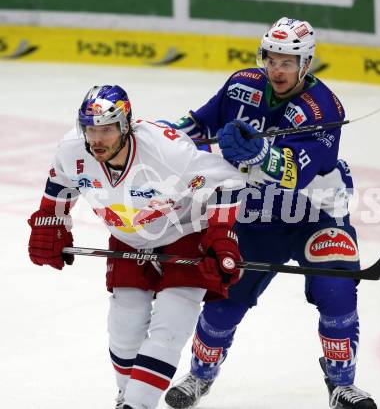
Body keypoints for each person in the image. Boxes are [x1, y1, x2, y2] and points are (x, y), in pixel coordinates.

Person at [163, 17, 377, 409]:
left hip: (315, 215)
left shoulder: (323, 107)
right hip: (257, 213)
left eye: (287, 62)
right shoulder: (241, 84)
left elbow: (300, 170)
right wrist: (162, 137)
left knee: (337, 291)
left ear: (305, 64)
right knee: (225, 299)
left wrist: (260, 152)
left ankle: (342, 384)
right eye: (272, 60)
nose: (277, 70)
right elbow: (199, 124)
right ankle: (199, 376)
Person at [27, 85, 247, 409]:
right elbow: (62, 179)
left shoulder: (167, 152)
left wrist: (220, 233)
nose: (96, 139)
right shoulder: (73, 149)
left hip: (186, 234)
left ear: (126, 124)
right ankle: (126, 397)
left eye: (106, 129)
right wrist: (51, 218)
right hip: (128, 237)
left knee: (170, 328)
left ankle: (136, 404)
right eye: (90, 129)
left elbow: (228, 180)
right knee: (124, 330)